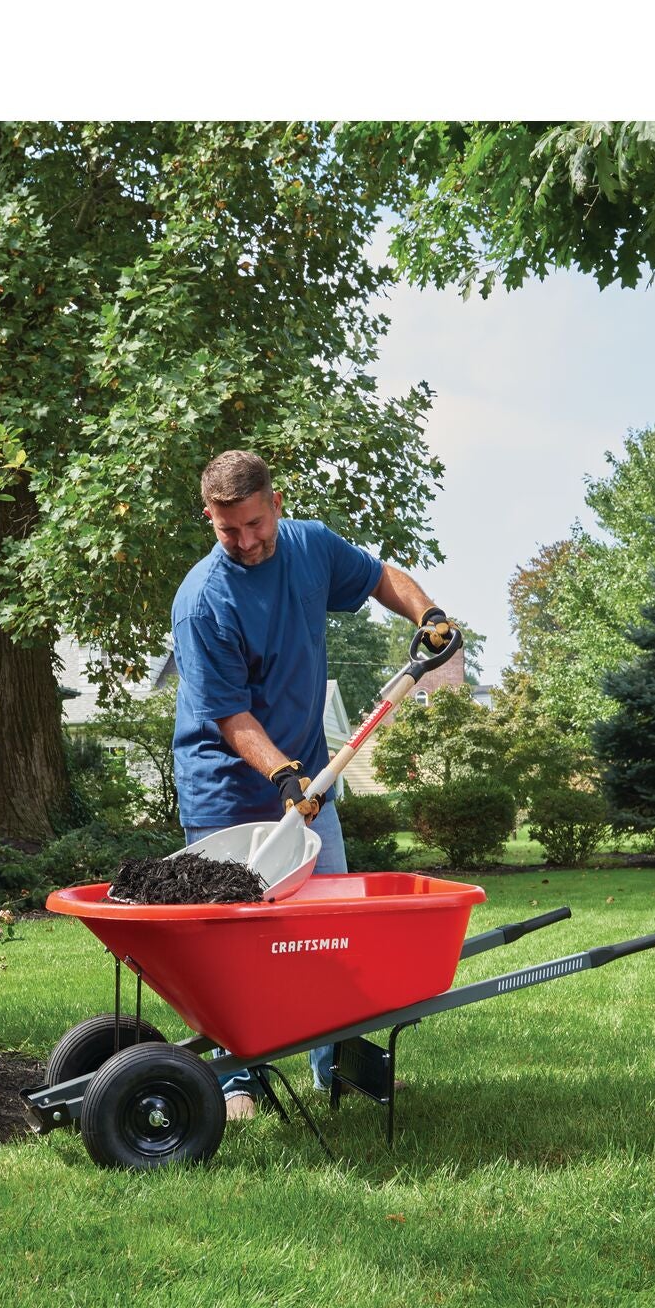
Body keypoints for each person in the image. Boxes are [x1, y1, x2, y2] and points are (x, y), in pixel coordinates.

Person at [170, 450, 455, 1121]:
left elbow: (383, 578)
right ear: (208, 518)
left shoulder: (309, 546)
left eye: (253, 524)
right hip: (227, 788)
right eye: (225, 530)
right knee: (236, 950)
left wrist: (428, 614)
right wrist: (284, 774)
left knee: (331, 933)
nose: (243, 542)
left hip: (307, 783)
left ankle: (338, 1068)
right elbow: (232, 718)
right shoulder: (204, 599)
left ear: (274, 501)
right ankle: (237, 1081)